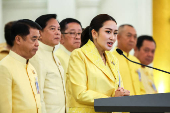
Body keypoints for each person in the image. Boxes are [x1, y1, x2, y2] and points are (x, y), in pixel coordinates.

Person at [66, 14, 130, 113]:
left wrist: (122, 93)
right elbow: (80, 93)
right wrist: (112, 99)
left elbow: (117, 90)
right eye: (108, 32)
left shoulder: (113, 59)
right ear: (94, 33)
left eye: (115, 33)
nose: (112, 37)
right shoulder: (79, 55)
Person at [0, 19, 42, 113]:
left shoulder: (31, 67)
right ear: (18, 39)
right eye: (33, 39)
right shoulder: (4, 67)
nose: (37, 44)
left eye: (38, 39)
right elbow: (4, 109)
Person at [30, 14, 66, 113]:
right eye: (52, 29)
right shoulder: (36, 56)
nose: (58, 33)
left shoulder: (54, 55)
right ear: (39, 33)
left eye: (59, 29)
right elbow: (38, 95)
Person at [112, 24, 145, 95]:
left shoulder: (136, 61)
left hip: (138, 104)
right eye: (129, 35)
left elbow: (141, 87)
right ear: (118, 37)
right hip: (121, 103)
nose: (132, 40)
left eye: (135, 37)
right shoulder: (110, 58)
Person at [54, 18, 82, 82]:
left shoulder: (77, 56)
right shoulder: (58, 58)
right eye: (72, 33)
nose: (77, 37)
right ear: (61, 37)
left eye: (79, 33)